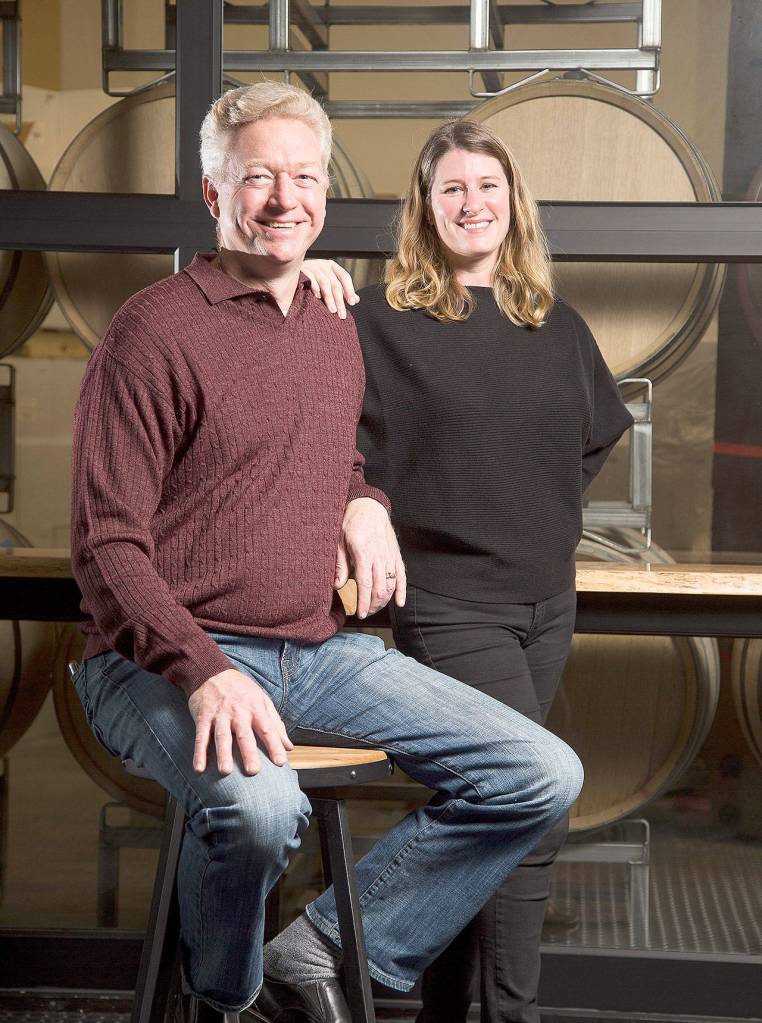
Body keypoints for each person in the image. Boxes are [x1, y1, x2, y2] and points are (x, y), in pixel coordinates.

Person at [70, 84, 583, 1023]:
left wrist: (364, 504)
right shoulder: (152, 331)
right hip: (160, 659)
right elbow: (105, 543)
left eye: (303, 176)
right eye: (257, 177)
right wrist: (202, 669)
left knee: (540, 773)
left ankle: (318, 951)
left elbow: (334, 456)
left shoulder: (328, 319)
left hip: (313, 650)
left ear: (325, 192)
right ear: (213, 193)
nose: (284, 198)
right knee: (260, 810)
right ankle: (228, 1002)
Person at [303, 119, 633, 1023]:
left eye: (487, 185)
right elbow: (316, 428)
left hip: (547, 603)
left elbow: (600, 431)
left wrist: (534, 508)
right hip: (449, 604)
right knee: (534, 806)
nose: (472, 203)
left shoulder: (556, 326)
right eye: (451, 188)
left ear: (513, 205)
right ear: (426, 208)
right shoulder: (378, 321)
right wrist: (309, 276)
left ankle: (455, 1009)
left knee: (491, 810)